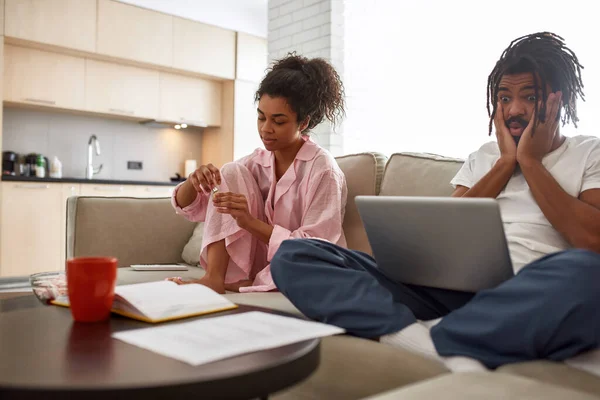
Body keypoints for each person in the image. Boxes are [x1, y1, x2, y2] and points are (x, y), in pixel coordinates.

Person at [270, 32, 600, 369]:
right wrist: (504, 163)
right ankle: (413, 336)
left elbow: (592, 241)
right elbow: (448, 227)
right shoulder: (485, 157)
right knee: (295, 254)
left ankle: (445, 334)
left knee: (592, 274)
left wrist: (530, 163)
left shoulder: (589, 153)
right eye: (503, 98)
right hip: (445, 289)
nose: (514, 109)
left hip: (529, 291)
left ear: (560, 100)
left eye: (529, 96)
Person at [169, 53, 347, 294]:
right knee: (229, 171)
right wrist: (193, 181)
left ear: (303, 123)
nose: (265, 129)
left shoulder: (323, 170)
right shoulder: (256, 162)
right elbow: (191, 207)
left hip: (298, 269)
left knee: (306, 260)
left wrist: (249, 222)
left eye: (278, 121)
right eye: (261, 117)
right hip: (253, 267)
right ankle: (214, 278)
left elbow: (313, 249)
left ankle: (252, 281)